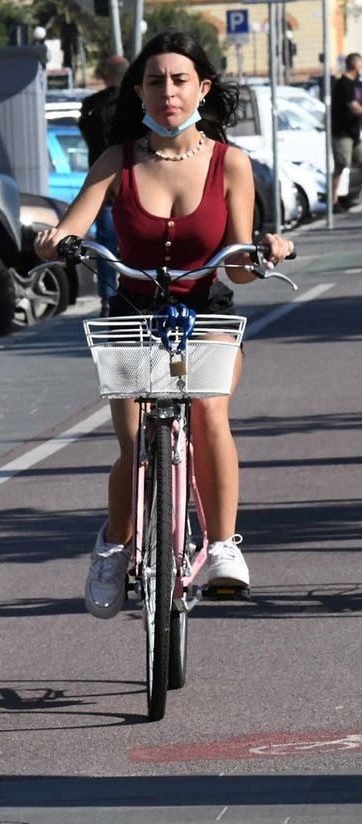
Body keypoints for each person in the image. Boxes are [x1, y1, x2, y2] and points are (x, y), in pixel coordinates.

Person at [33, 31, 294, 616]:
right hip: (131, 316)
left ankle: (223, 547)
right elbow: (72, 226)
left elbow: (240, 270)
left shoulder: (232, 164)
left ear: (201, 88)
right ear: (139, 91)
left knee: (208, 412)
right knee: (134, 449)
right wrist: (54, 241)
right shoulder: (116, 159)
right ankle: (114, 547)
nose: (167, 92)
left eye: (180, 80)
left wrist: (263, 253)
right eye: (155, 81)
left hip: (207, 315)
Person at [78, 55, 130, 315]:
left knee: (106, 249)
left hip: (103, 188)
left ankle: (108, 299)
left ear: (106, 75)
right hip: (133, 185)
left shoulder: (91, 106)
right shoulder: (135, 104)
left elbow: (87, 135)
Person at [330, 53, 362, 211]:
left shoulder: (357, 83)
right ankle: (333, 200)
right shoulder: (344, 83)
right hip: (342, 132)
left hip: (354, 131)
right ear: (355, 65)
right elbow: (354, 107)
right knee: (341, 165)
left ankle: (351, 195)